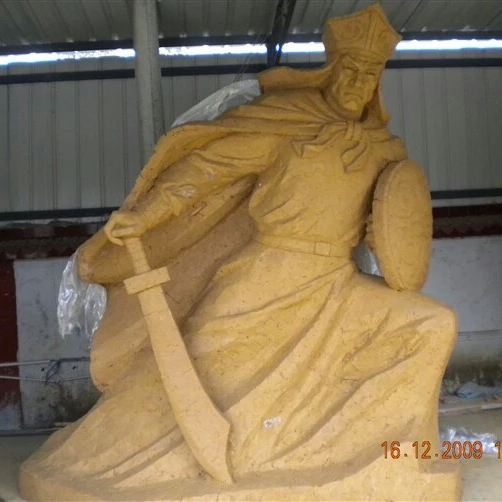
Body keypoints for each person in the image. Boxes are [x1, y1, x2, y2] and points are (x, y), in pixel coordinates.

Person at [20, 4, 461, 500]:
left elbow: (396, 222)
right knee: (197, 372)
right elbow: (206, 170)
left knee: (431, 325)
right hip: (266, 276)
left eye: (370, 74)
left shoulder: (385, 148)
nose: (358, 83)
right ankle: (104, 454)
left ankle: (379, 454)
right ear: (331, 69)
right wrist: (145, 216)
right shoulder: (287, 124)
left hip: (337, 283)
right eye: (351, 69)